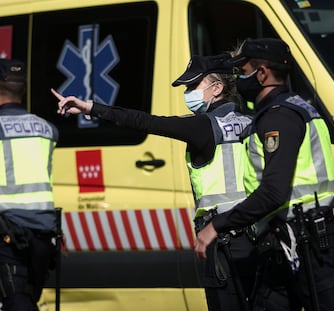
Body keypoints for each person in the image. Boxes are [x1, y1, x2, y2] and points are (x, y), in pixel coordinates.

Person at [51, 54, 259, 310]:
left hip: (221, 240)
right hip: (255, 238)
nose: (188, 93)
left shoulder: (203, 126)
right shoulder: (253, 121)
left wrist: (91, 108)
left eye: (193, 86)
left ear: (217, 88)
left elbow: (146, 122)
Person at [194, 38, 334, 311]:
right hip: (293, 243)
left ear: (262, 73)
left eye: (242, 70)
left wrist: (217, 225)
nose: (238, 77)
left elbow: (273, 191)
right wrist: (333, 256)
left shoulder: (279, 117)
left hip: (302, 244)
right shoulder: (298, 109)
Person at [0, 59, 59, 310]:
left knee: (17, 301)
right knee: (26, 296)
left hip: (7, 231)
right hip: (43, 233)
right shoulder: (47, 129)